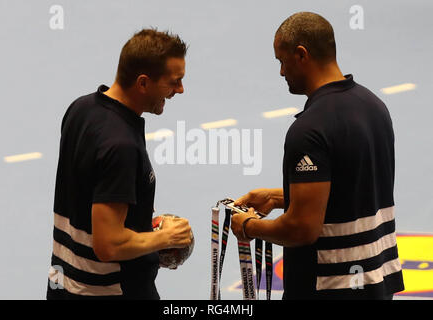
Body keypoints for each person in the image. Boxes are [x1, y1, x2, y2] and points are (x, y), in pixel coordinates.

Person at [231, 12, 404, 300]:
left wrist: (248, 226)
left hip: (330, 287)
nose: (281, 72)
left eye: (281, 61)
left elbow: (301, 229)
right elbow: (350, 190)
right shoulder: (375, 107)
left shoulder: (309, 130)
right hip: (375, 282)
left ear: (301, 55)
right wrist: (275, 198)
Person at [47, 29, 193, 300]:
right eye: (174, 82)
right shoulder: (121, 145)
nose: (180, 90)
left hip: (63, 286)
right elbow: (109, 245)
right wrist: (166, 237)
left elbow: (89, 191)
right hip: (109, 291)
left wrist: (139, 227)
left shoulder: (81, 109)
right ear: (143, 83)